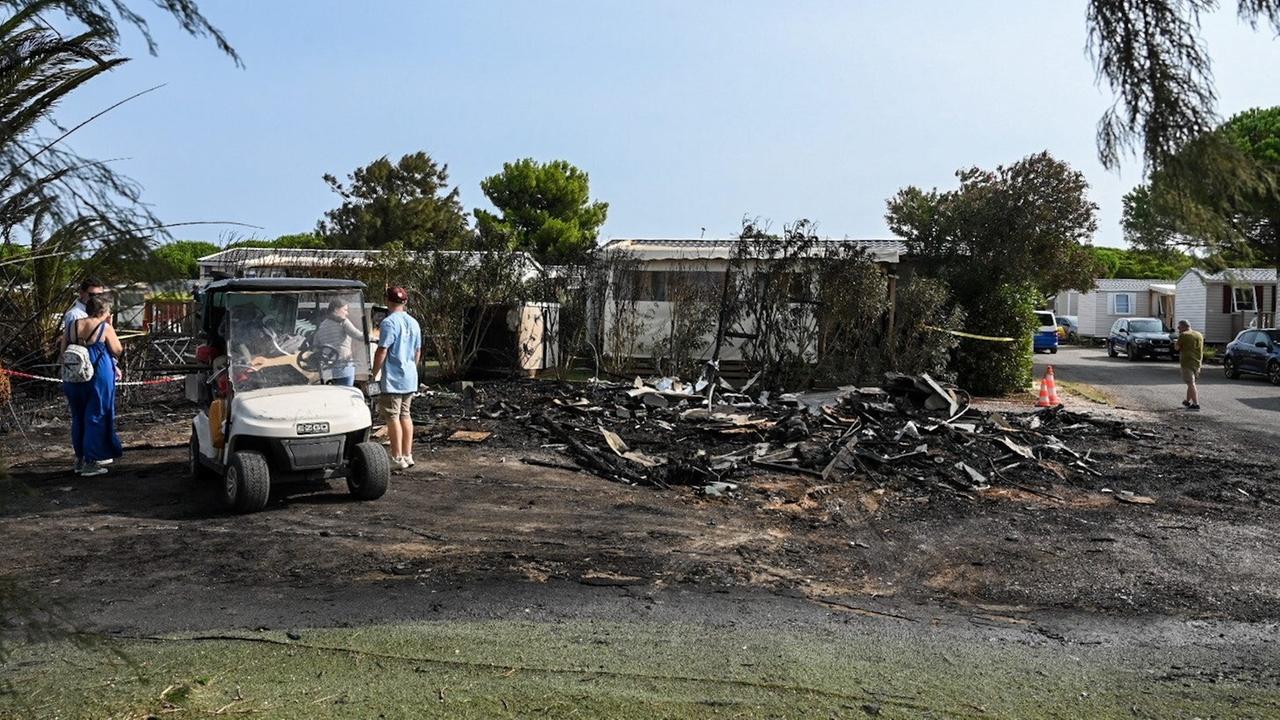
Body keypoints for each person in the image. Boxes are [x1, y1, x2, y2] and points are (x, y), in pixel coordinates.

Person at [61, 295, 124, 475]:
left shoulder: (72, 325)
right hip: (98, 376)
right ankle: (91, 461)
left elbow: (62, 350)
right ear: (103, 311)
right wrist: (110, 326)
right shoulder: (105, 328)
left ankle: (79, 460)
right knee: (96, 416)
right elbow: (118, 350)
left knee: (78, 417)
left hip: (74, 376)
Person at [370, 287, 421, 470]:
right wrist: (411, 369)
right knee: (406, 415)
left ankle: (397, 457)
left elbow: (382, 350)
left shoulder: (388, 323)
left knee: (392, 417)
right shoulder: (414, 322)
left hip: (393, 378)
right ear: (405, 302)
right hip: (409, 376)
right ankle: (408, 455)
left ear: (388, 302)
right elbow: (417, 352)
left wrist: (373, 373)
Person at [313, 298, 364, 386]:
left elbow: (315, 346)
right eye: (345, 310)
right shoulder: (343, 322)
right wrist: (374, 338)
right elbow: (358, 336)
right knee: (346, 393)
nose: (347, 313)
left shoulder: (321, 325)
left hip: (327, 368)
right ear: (336, 309)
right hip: (344, 365)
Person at [1175, 319, 1204, 411]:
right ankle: (1187, 401)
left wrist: (1176, 341)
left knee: (1191, 383)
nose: (1178, 329)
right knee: (1191, 383)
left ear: (1183, 327)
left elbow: (1177, 347)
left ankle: (1196, 404)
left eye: (1179, 327)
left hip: (1187, 362)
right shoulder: (1199, 334)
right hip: (1197, 362)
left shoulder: (1183, 335)